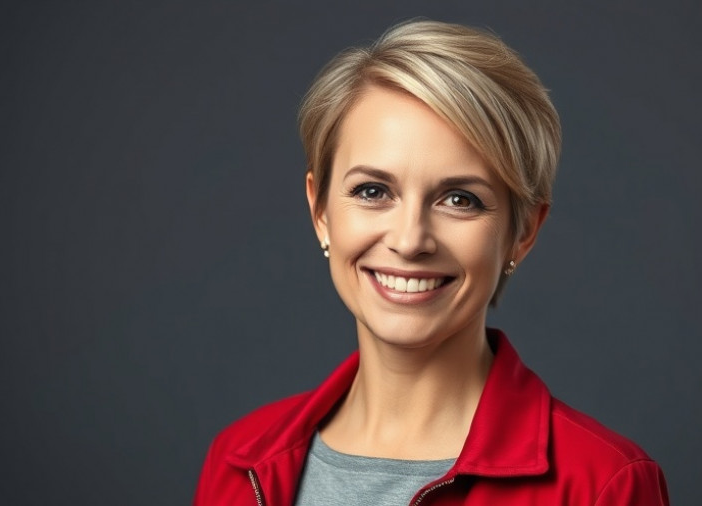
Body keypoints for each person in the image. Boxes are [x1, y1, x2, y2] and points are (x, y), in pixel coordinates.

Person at [194, 19, 670, 506]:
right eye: (373, 191)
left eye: (460, 199)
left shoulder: (604, 483)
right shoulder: (236, 462)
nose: (410, 240)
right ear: (320, 211)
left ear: (523, 231)